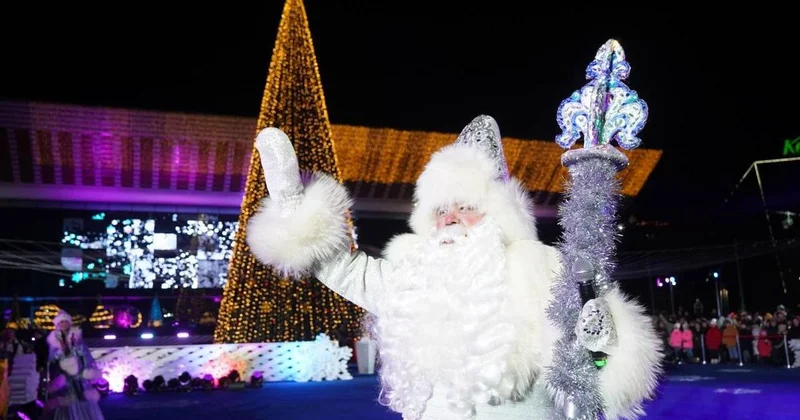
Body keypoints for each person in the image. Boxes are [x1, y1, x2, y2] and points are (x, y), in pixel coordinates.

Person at [246, 116, 662, 419]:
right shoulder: (412, 276)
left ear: (498, 216)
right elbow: (342, 268)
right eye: (441, 209)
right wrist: (292, 209)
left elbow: (603, 362)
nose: (450, 218)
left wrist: (606, 346)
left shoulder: (544, 268)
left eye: (466, 207)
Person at [45, 310, 105, 420]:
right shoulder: (53, 342)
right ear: (57, 325)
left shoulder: (77, 339)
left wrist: (86, 372)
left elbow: (86, 357)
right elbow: (52, 361)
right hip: (63, 379)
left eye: (66, 322)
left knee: (82, 398)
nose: (63, 324)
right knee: (66, 402)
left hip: (80, 377)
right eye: (61, 322)